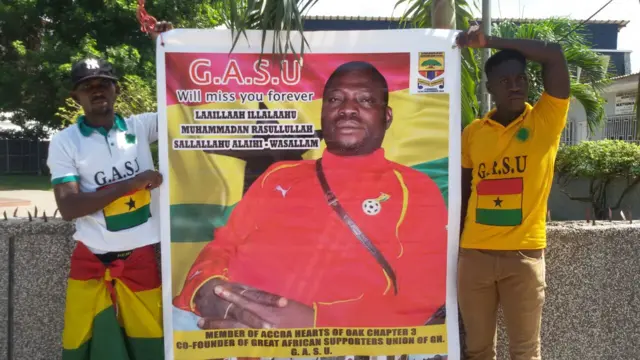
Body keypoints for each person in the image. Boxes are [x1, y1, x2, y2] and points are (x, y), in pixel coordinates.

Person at [172, 61, 448, 329]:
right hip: (241, 335)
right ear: (323, 112)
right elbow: (225, 243)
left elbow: (424, 291)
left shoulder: (414, 188)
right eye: (335, 100)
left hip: (345, 345)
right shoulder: (279, 175)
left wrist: (317, 320)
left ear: (386, 117)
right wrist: (205, 288)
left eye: (365, 101)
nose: (347, 109)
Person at [46, 22, 173, 360]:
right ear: (77, 96)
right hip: (90, 261)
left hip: (141, 260)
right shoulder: (64, 142)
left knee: (148, 346)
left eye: (104, 83)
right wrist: (131, 183)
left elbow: (184, 103)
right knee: (80, 345)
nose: (97, 89)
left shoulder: (140, 128)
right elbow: (70, 206)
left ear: (117, 89)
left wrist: (168, 47)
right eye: (87, 86)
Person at [456, 26, 570, 360]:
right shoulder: (473, 133)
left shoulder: (546, 121)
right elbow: (465, 195)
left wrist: (487, 41)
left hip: (524, 257)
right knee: (477, 350)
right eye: (505, 81)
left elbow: (554, 54)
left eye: (520, 78)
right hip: (474, 257)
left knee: (525, 351)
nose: (515, 86)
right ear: (489, 88)